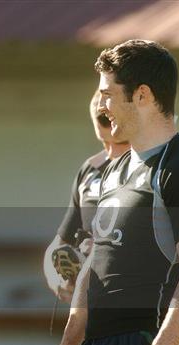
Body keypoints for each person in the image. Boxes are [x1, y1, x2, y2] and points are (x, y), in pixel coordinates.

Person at [57, 39, 179, 345]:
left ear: (142, 95)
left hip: (145, 343)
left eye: (108, 95)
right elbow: (95, 263)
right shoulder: (114, 169)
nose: (102, 106)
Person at [44, 90, 130, 302]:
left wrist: (102, 253)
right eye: (104, 143)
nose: (110, 153)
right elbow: (57, 245)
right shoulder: (90, 170)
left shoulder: (152, 173)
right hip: (91, 309)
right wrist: (56, 280)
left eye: (119, 144)